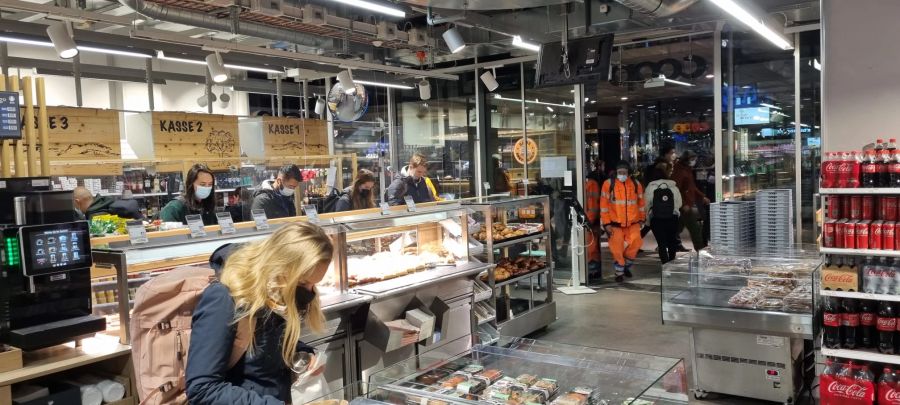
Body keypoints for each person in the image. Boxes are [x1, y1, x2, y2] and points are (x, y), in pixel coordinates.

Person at [186, 222, 331, 404]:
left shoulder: (276, 295)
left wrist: (300, 352)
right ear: (280, 267)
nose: (309, 293)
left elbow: (263, 345)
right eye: (302, 283)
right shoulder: (225, 299)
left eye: (313, 284)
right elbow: (202, 389)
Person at [600, 161, 645, 282]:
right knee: (617, 248)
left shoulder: (636, 184)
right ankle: (619, 273)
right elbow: (603, 205)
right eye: (620, 172)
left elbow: (641, 203)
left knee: (636, 242)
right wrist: (606, 224)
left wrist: (641, 219)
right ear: (616, 172)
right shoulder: (608, 184)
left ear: (628, 173)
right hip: (615, 224)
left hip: (633, 222)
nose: (622, 174)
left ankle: (625, 265)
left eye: (624, 172)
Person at [644, 162, 682, 264]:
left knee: (661, 243)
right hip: (672, 218)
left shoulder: (650, 187)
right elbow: (679, 203)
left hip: (656, 219)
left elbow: (646, 205)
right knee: (671, 242)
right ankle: (672, 263)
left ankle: (665, 266)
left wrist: (648, 219)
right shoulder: (673, 186)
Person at [672, 150, 710, 251]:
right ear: (686, 159)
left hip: (685, 205)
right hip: (683, 206)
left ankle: (666, 243)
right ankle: (700, 250)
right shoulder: (680, 171)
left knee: (677, 228)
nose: (694, 161)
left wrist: (702, 197)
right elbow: (676, 189)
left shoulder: (687, 169)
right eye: (692, 159)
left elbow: (692, 187)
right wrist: (684, 204)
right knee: (695, 228)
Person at [584, 158, 607, 275]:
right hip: (588, 220)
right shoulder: (588, 183)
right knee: (590, 246)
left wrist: (589, 221)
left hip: (590, 221)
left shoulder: (591, 184)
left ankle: (593, 270)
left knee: (592, 246)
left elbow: (593, 206)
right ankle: (592, 268)